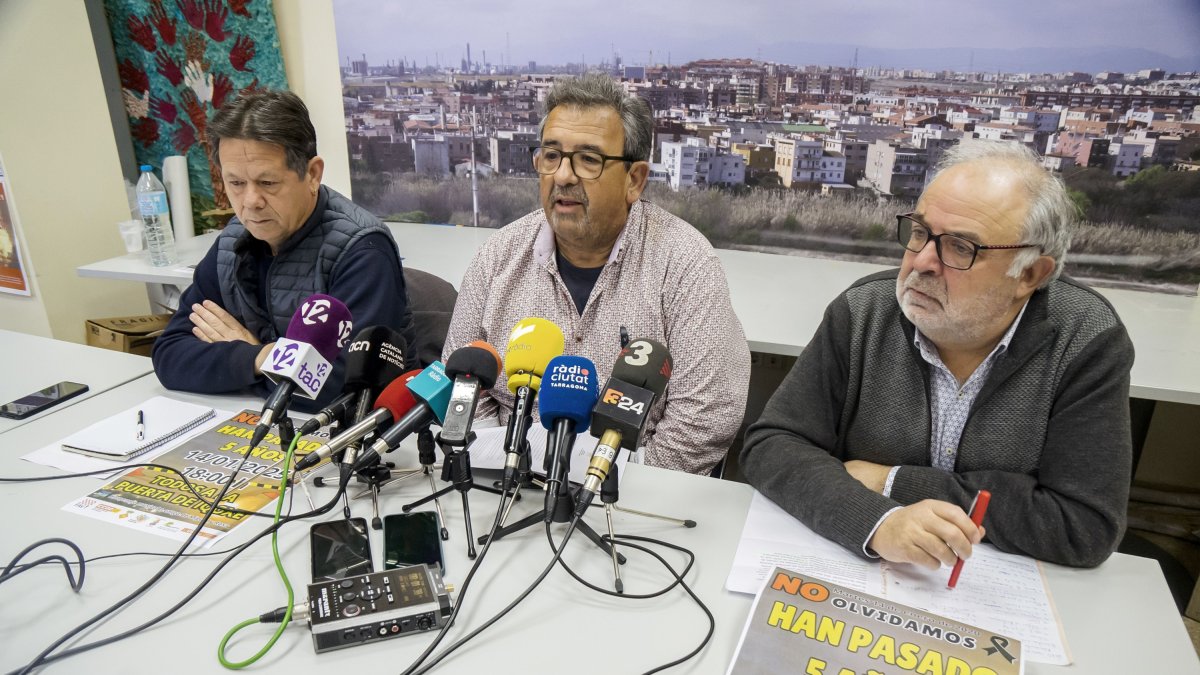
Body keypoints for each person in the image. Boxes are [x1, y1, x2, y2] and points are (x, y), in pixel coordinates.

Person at [741, 141, 1133, 568]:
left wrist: (891, 481)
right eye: (920, 232)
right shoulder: (863, 312)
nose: (923, 261)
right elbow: (772, 446)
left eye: (961, 247)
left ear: (1029, 274)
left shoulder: (1085, 340)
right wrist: (879, 523)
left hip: (1002, 584)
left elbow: (1084, 525)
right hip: (866, 569)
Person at [443, 73, 750, 476]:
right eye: (551, 156)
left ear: (634, 180)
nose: (563, 176)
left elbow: (708, 415)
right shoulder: (497, 257)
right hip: (508, 488)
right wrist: (497, 470)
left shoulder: (685, 263)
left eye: (589, 160)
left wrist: (612, 486)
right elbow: (464, 382)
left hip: (630, 507)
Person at [152, 90, 414, 411]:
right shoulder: (231, 242)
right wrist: (261, 357)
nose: (250, 201)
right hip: (255, 420)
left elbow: (341, 389)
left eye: (268, 183)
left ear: (312, 174)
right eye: (235, 183)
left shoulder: (362, 252)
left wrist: (241, 361)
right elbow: (170, 357)